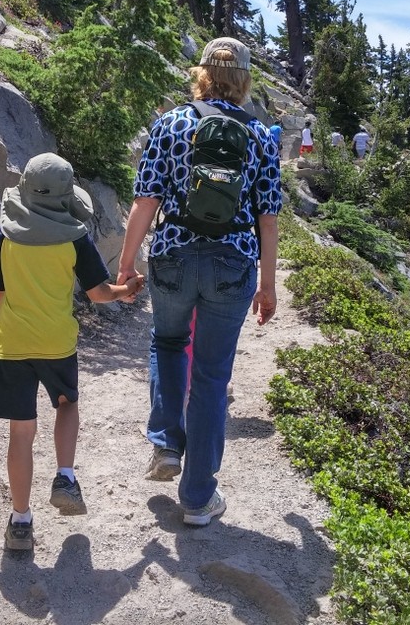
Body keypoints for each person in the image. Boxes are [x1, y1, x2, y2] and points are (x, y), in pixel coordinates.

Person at [117, 37, 282, 527]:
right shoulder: (259, 137)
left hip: (171, 254)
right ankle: (198, 498)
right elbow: (267, 220)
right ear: (244, 80)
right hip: (233, 263)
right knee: (212, 376)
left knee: (167, 344)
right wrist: (267, 286)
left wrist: (126, 265)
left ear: (202, 75)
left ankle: (167, 444)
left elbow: (145, 202)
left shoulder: (170, 124)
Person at [0, 152, 146, 551]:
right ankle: (65, 477)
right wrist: (126, 292)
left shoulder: (7, 234)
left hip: (13, 343)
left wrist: (6, 332)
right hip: (57, 341)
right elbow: (99, 293)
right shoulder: (74, 237)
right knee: (66, 403)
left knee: (20, 433)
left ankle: (20, 523)